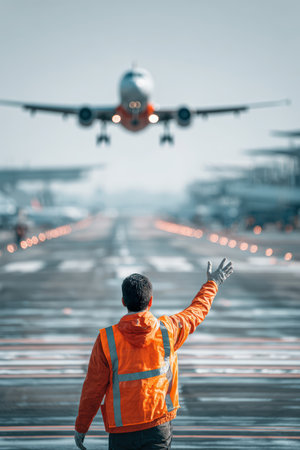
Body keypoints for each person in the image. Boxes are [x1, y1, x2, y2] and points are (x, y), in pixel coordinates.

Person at [74, 258, 233, 450]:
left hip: (122, 432)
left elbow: (92, 390)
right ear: (150, 301)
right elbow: (196, 311)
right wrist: (213, 283)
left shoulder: (106, 340)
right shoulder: (168, 330)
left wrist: (81, 427)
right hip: (157, 426)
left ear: (123, 301)